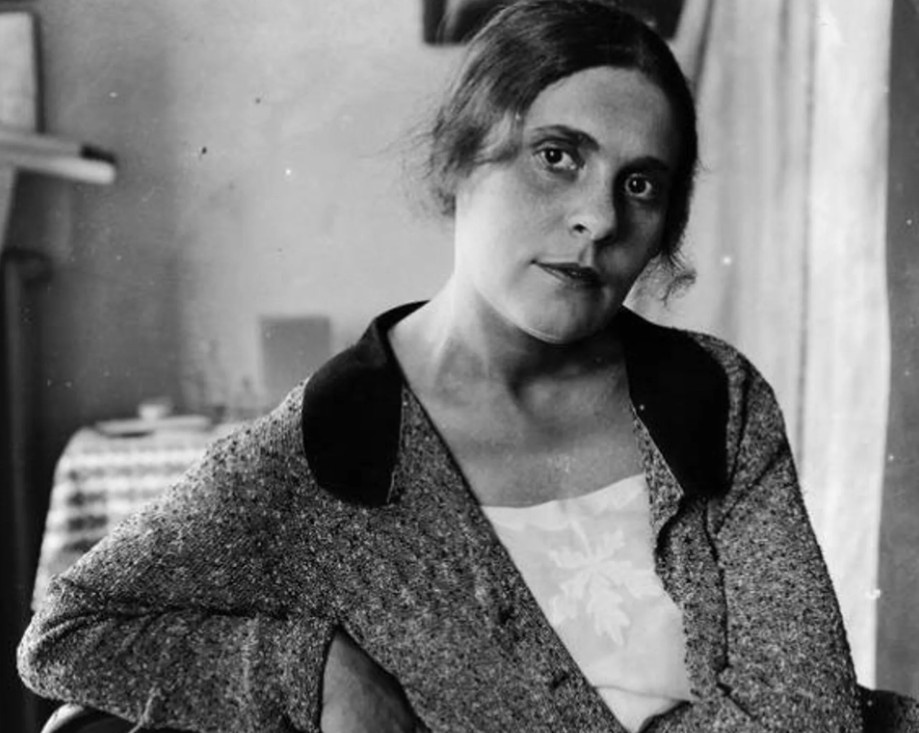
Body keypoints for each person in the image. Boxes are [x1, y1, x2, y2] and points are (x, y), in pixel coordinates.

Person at [18, 1, 866, 731]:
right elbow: (66, 630)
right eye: (557, 155)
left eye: (640, 184)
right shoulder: (331, 446)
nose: (599, 218)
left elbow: (809, 712)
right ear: (461, 156)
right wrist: (314, 670)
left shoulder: (714, 396)